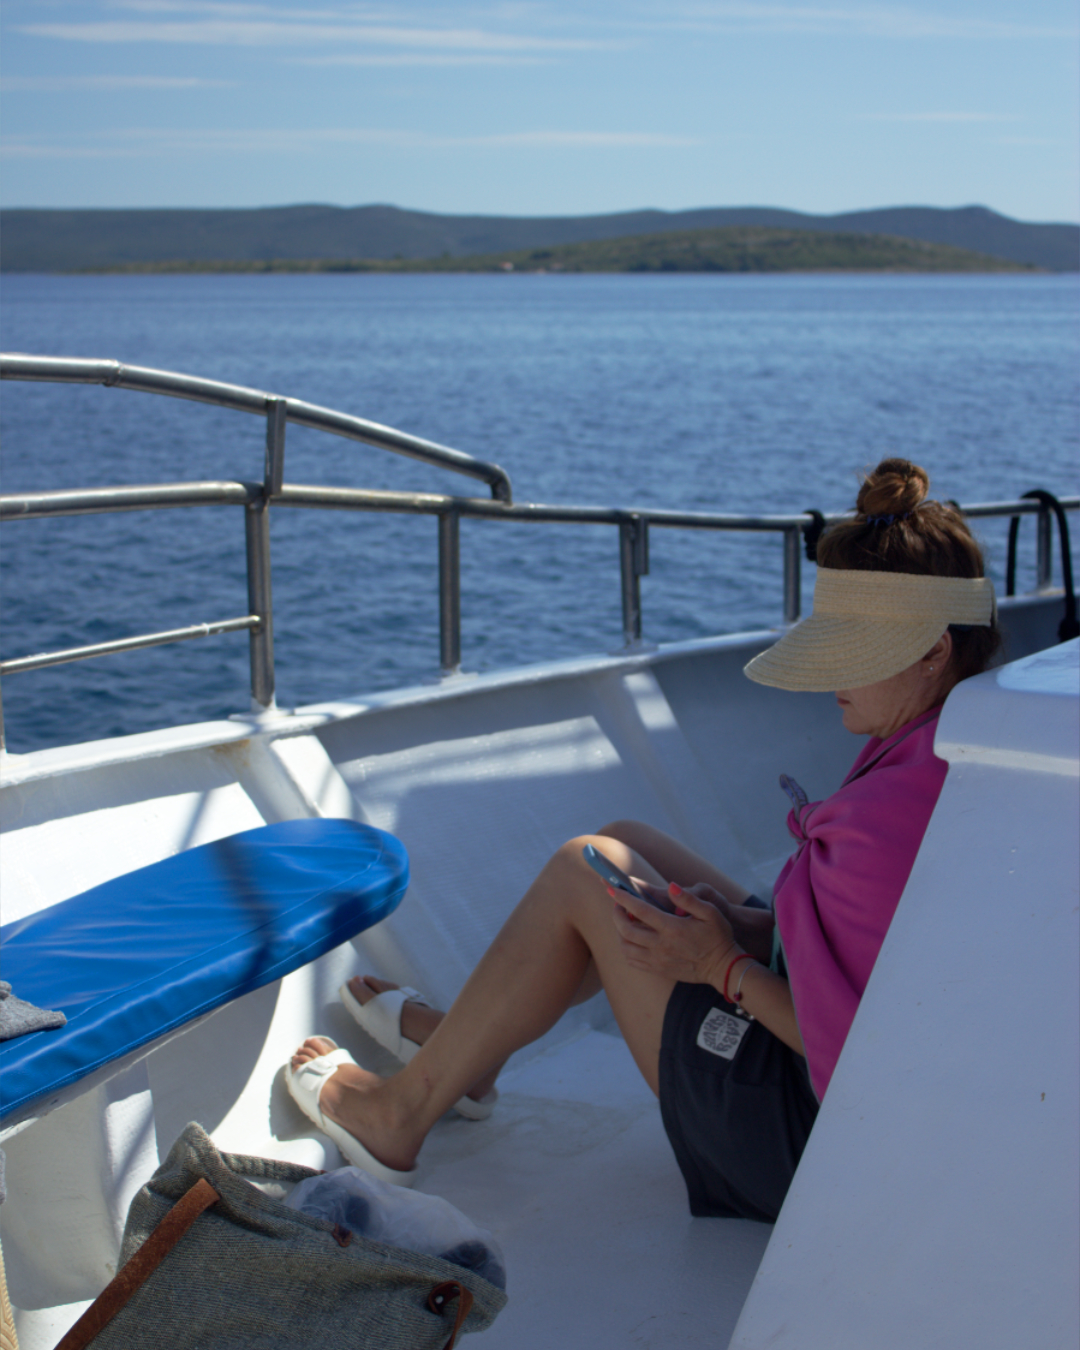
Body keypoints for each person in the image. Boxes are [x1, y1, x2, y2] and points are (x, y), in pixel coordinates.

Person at [287, 457, 1000, 1222]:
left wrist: (720, 964)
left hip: (807, 1142)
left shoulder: (885, 821)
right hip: (893, 1119)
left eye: (852, 646)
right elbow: (876, 959)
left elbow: (858, 1057)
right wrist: (743, 928)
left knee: (580, 873)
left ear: (933, 650)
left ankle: (402, 1113)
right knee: (624, 844)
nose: (831, 672)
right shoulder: (946, 744)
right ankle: (471, 1052)